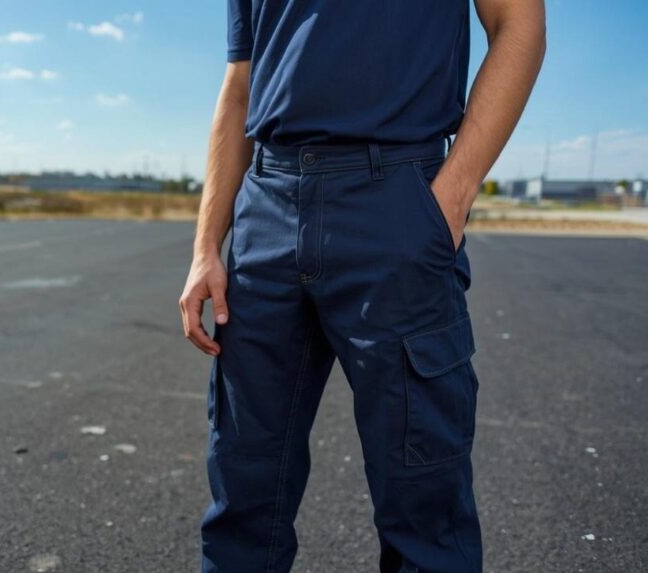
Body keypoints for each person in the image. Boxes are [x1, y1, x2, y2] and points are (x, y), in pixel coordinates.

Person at [179, 0, 546, 571]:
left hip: (395, 205)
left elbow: (518, 24)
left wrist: (450, 199)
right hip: (265, 210)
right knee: (242, 493)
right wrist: (206, 247)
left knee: (423, 504)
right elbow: (240, 85)